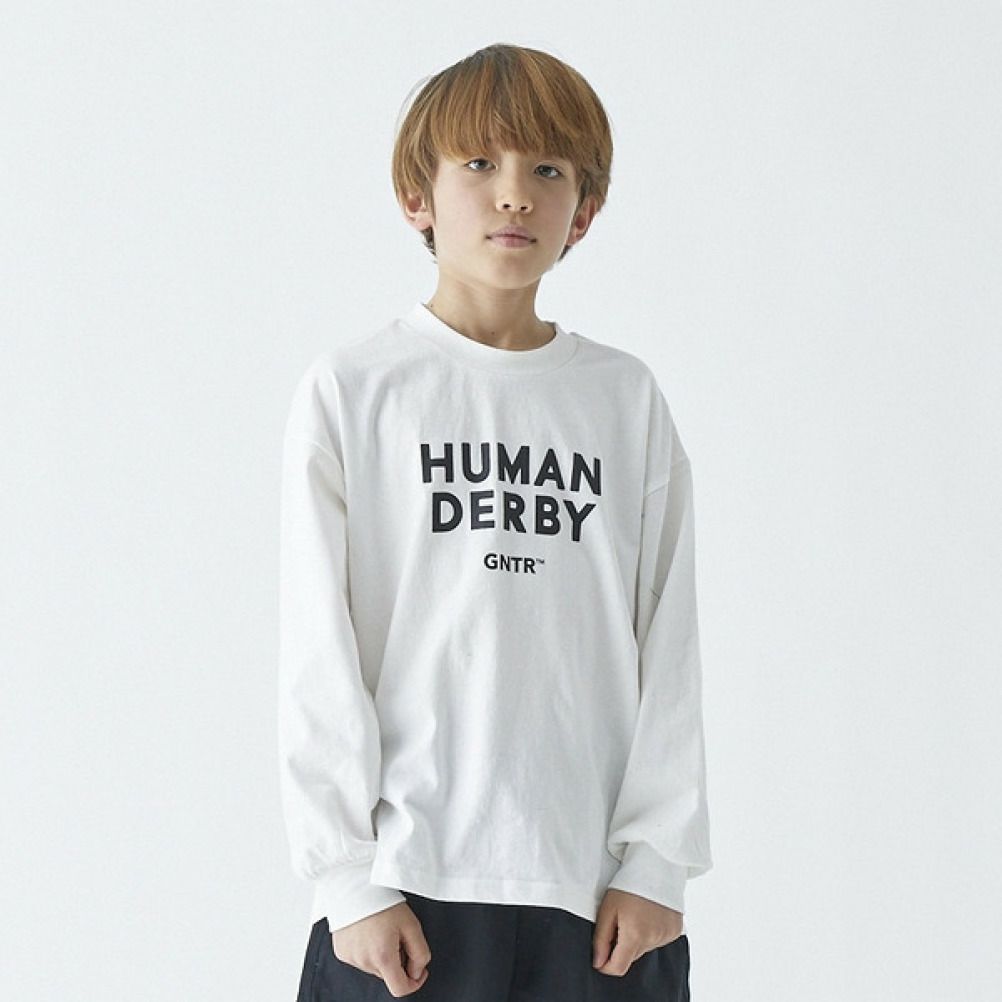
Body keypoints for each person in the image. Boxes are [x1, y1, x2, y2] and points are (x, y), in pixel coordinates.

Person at [279, 42, 712, 1002]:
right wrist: (348, 878)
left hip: (596, 899)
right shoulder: (357, 390)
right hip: (407, 888)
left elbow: (668, 637)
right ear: (417, 197)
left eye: (548, 170)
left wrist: (657, 862)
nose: (515, 193)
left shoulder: (623, 400)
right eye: (480, 163)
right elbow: (318, 647)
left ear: (583, 212)